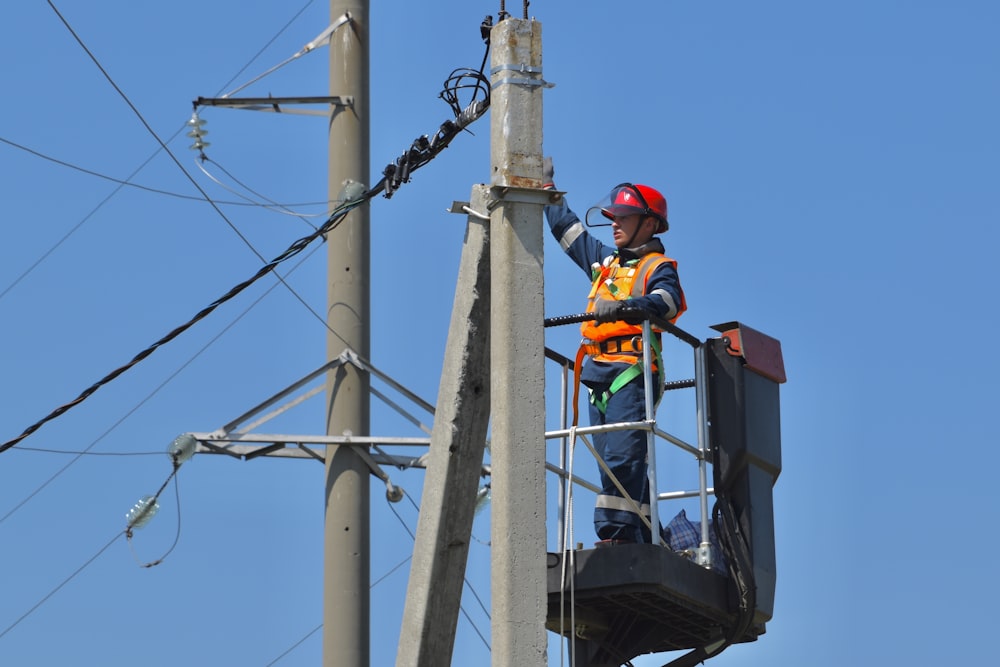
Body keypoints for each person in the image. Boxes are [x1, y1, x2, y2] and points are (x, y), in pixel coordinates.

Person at [543, 157, 687, 546]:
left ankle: (617, 538)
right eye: (613, 216)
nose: (614, 223)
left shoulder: (658, 267)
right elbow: (569, 233)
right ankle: (643, 534)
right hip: (596, 374)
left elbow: (668, 301)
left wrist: (628, 306)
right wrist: (547, 190)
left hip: (631, 372)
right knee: (612, 462)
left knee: (622, 457)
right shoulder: (606, 263)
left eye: (623, 217)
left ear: (650, 224)